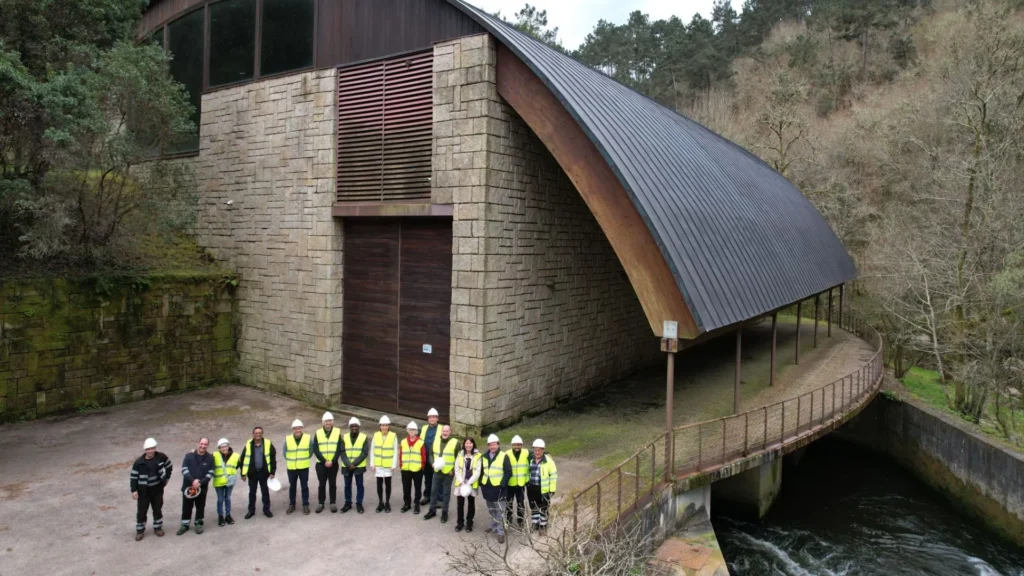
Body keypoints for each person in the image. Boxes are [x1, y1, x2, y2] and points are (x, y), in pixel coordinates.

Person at [130, 437, 173, 541]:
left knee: (157, 509)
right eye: (148, 449)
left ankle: (158, 528)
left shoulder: (161, 457)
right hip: (143, 492)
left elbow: (169, 466)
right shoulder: (139, 463)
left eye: (152, 448)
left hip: (157, 490)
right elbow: (133, 477)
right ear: (145, 450)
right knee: (141, 512)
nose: (150, 451)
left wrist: (166, 478)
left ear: (155, 448)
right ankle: (140, 531)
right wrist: (134, 490)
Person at [178, 437, 215, 535]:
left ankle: (198, 523)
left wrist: (200, 482)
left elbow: (211, 473)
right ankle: (184, 525)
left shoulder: (210, 458)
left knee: (200, 506)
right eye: (201, 443)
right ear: (198, 443)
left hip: (201, 488)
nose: (203, 446)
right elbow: (184, 469)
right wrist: (193, 480)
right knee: (186, 506)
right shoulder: (189, 456)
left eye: (205, 444)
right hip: (188, 487)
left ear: (208, 445)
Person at [480, 434, 512, 544]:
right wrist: (481, 483)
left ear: (498, 445)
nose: (492, 446)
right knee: (491, 509)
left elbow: (508, 472)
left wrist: (502, 485)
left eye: (494, 444)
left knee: (501, 512)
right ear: (488, 445)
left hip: (499, 489)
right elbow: (481, 471)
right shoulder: (484, 457)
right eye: (490, 445)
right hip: (488, 488)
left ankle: (500, 532)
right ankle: (493, 526)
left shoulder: (503, 456)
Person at [239, 426, 277, 519]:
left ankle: (266, 510)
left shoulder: (268, 443)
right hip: (252, 473)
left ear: (262, 434)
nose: (258, 435)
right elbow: (243, 459)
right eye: (256, 433)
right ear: (253, 434)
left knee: (265, 492)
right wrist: (243, 473)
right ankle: (251, 511)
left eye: (259, 433)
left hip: (264, 473)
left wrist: (272, 471)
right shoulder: (248, 444)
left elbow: (272, 458)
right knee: (252, 493)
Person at [423, 424, 458, 523]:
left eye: (447, 431)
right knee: (433, 491)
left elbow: (458, 458)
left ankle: (444, 512)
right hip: (437, 471)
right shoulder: (436, 440)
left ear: (450, 432)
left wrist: (454, 470)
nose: (445, 433)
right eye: (444, 431)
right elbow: (430, 453)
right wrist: (432, 463)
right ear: (441, 431)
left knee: (446, 493)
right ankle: (432, 510)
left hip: (448, 472)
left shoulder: (455, 443)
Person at [312, 411, 341, 513]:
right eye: (326, 421)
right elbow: (315, 448)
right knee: (322, 483)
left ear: (332, 422)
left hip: (333, 463)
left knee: (332, 483)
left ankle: (333, 502)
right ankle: (321, 502)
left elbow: (339, 448)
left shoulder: (337, 432)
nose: (328, 423)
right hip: (321, 464)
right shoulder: (318, 433)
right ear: (323, 422)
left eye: (330, 421)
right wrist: (324, 461)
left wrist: (333, 461)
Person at [528, 439, 557, 532]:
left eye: (539, 450)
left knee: (543, 508)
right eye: (535, 450)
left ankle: (543, 526)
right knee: (534, 507)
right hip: (532, 487)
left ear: (543, 450)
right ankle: (535, 523)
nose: (537, 452)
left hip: (543, 489)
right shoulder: (530, 460)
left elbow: (553, 476)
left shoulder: (549, 462)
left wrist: (551, 490)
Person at [340, 417, 368, 514]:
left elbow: (364, 453)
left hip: (358, 466)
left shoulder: (364, 437)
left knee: (359, 485)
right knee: (347, 485)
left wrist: (354, 464)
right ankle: (348, 503)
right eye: (352, 426)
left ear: (359, 427)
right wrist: (349, 464)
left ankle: (359, 503)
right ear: (349, 427)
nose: (354, 428)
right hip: (347, 466)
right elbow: (342, 452)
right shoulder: (344, 437)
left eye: (356, 426)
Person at [370, 415, 398, 513]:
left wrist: (394, 464)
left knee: (388, 484)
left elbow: (395, 451)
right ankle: (380, 502)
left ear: (388, 426)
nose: (384, 427)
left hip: (388, 466)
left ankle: (387, 502)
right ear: (380, 426)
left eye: (386, 425)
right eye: (383, 425)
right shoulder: (376, 435)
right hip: (378, 465)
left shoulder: (393, 436)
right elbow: (372, 450)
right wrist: (372, 463)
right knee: (379, 485)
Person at [453, 437, 481, 533]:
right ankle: (460, 522)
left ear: (473, 444)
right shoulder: (459, 455)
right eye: (466, 443)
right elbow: (456, 469)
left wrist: (468, 483)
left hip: (471, 484)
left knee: (471, 503)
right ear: (464, 444)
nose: (468, 445)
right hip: (461, 483)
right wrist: (462, 482)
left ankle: (469, 523)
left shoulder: (478, 456)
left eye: (470, 443)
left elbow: (477, 472)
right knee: (460, 504)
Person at [284, 419, 311, 515]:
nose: (297, 430)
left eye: (299, 428)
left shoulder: (307, 438)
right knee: (292, 486)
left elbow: (310, 451)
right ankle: (292, 504)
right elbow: (285, 452)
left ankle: (305, 505)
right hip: (291, 468)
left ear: (302, 429)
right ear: (293, 430)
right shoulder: (288, 439)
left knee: (304, 486)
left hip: (303, 467)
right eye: (295, 429)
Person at [399, 421, 426, 514]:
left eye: (413, 430)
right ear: (407, 430)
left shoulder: (421, 442)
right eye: (410, 430)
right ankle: (407, 504)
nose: (412, 431)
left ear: (416, 431)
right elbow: (401, 454)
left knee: (417, 488)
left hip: (417, 469)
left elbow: (423, 456)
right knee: (406, 488)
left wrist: (422, 467)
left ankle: (417, 504)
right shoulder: (403, 441)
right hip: (405, 469)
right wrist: (401, 465)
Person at [212, 438, 239, 527]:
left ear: (228, 446)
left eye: (225, 446)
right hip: (219, 482)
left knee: (227, 498)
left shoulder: (235, 455)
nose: (224, 448)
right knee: (220, 499)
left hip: (229, 482)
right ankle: (220, 516)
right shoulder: (214, 455)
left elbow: (238, 465)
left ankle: (228, 516)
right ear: (219, 448)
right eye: (222, 447)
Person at [505, 435, 529, 529]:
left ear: (521, 445)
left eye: (518, 445)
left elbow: (536, 454)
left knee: (520, 503)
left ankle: (520, 521)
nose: (516, 447)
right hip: (510, 483)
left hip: (520, 484)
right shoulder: (506, 454)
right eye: (515, 445)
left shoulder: (526, 453)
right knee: (509, 502)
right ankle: (508, 519)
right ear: (512, 445)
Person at [420, 407, 440, 506]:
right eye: (430, 417)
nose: (432, 419)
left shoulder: (441, 429)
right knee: (427, 478)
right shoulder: (423, 428)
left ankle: (439, 499)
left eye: (434, 417)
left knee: (438, 479)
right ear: (428, 419)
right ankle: (427, 496)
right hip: (425, 458)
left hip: (436, 459)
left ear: (437, 418)